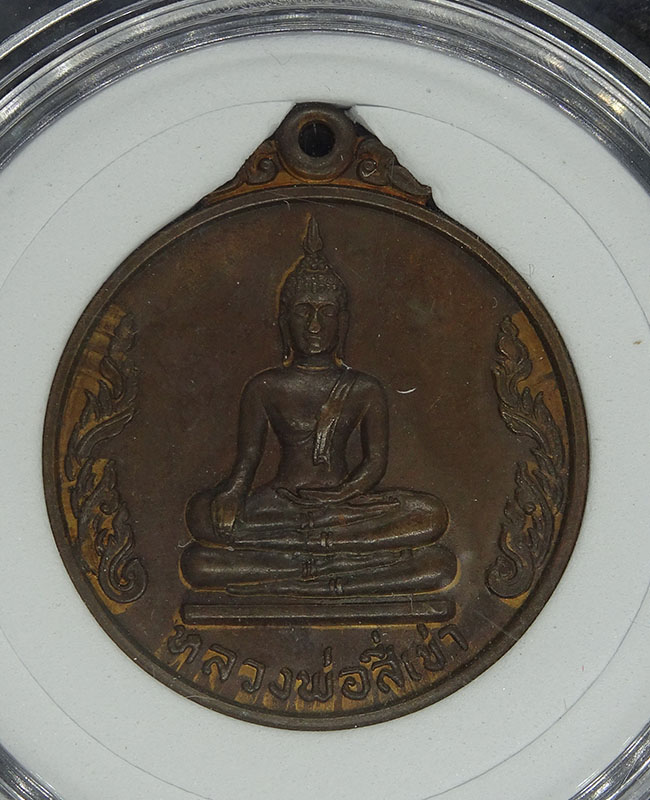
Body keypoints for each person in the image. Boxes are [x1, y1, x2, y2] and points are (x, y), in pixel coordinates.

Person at [181, 217, 457, 597]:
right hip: (281, 507)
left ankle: (300, 569)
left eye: (326, 313)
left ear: (342, 323)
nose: (314, 325)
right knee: (199, 521)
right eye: (303, 312)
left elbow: (375, 462)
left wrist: (341, 498)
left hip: (345, 509)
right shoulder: (265, 387)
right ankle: (335, 569)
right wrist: (231, 495)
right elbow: (247, 461)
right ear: (284, 321)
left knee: (431, 516)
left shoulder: (364, 388)